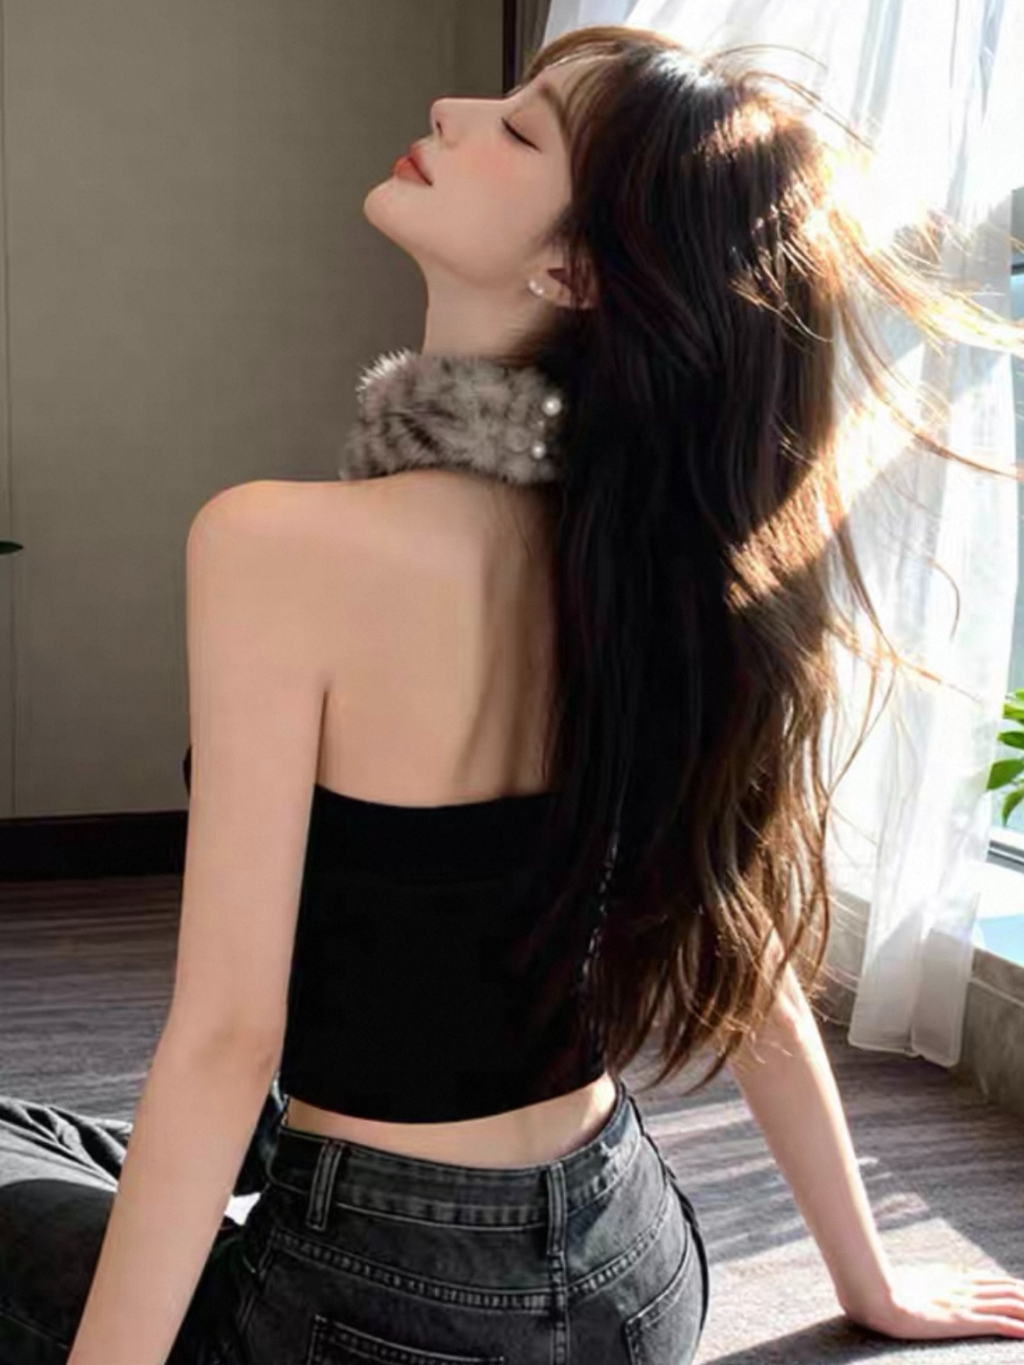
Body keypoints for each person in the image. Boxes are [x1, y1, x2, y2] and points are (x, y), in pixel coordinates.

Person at [3, 21, 1024, 1365]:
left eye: (522, 127)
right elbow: (747, 954)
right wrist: (868, 1276)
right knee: (99, 1144)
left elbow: (229, 1038)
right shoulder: (659, 567)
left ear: (573, 266)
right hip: (637, 1272)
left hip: (370, 1305)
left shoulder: (272, 543)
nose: (451, 106)